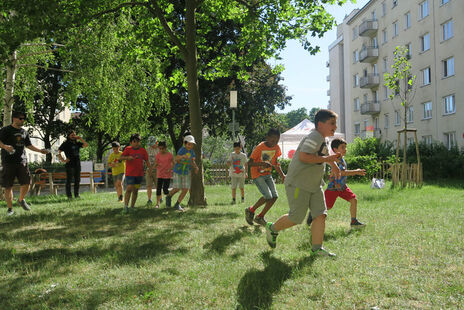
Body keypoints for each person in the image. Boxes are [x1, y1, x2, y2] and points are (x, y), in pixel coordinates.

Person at [264, 109, 341, 257]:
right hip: (299, 184)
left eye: (335, 124)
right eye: (332, 123)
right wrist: (327, 160)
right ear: (320, 124)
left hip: (314, 185)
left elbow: (324, 154)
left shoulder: (322, 138)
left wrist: (334, 166)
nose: (335, 127)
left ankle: (317, 249)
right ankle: (272, 228)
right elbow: (304, 157)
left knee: (320, 215)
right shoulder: (314, 136)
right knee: (296, 218)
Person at [0, 111, 49, 215]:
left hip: (22, 161)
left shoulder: (24, 132)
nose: (22, 120)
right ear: (14, 118)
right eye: (20, 118)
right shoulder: (5, 130)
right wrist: (5, 147)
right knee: (8, 186)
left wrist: (40, 151)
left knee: (27, 183)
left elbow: (29, 145)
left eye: (23, 119)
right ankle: (10, 209)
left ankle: (21, 200)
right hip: (8, 162)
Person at [244, 128, 285, 226]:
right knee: (268, 196)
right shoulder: (259, 147)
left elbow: (275, 163)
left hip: (267, 174)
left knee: (274, 196)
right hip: (257, 175)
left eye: (277, 141)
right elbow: (250, 163)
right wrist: (262, 163)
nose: (274, 143)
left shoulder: (276, 148)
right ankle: (250, 210)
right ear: (267, 138)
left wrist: (282, 175)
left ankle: (260, 217)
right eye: (272, 140)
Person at [324, 138, 366, 228]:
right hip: (333, 189)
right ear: (335, 150)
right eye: (342, 147)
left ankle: (354, 221)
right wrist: (356, 171)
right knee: (327, 207)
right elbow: (341, 173)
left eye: (345, 147)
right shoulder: (335, 160)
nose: (345, 149)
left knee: (353, 200)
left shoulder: (342, 159)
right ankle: (313, 215)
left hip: (342, 187)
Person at [165, 135, 199, 212]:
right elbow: (176, 158)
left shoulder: (192, 152)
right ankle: (169, 196)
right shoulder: (182, 150)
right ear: (185, 143)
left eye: (192, 144)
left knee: (185, 189)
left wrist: (196, 167)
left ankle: (177, 204)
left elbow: (192, 161)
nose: (190, 146)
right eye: (189, 144)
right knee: (177, 188)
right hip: (178, 171)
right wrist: (183, 156)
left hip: (186, 172)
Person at [119, 133, 150, 213]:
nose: (136, 143)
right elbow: (120, 158)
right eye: (134, 141)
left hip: (139, 174)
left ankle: (132, 207)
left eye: (138, 141)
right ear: (131, 142)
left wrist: (150, 168)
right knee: (129, 188)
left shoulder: (143, 150)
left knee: (135, 190)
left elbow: (146, 160)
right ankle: (125, 207)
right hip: (130, 174)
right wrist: (127, 158)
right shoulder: (128, 149)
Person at [58, 130, 88, 199]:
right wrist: (63, 160)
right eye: (72, 135)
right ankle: (69, 196)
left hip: (77, 163)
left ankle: (77, 195)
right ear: (68, 136)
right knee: (69, 180)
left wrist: (80, 138)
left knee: (77, 180)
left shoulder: (77, 143)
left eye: (74, 135)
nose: (73, 136)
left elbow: (86, 145)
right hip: (69, 165)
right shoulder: (65, 143)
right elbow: (58, 151)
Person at [154, 141, 174, 208]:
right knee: (158, 189)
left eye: (162, 148)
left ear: (166, 148)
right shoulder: (158, 155)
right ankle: (157, 203)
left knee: (165, 190)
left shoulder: (170, 155)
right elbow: (156, 163)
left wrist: (170, 169)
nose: (161, 150)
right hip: (159, 174)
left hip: (167, 175)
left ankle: (169, 199)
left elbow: (174, 163)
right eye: (160, 149)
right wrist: (151, 169)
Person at [145, 136, 159, 206]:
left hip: (158, 170)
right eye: (150, 144)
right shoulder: (147, 149)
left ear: (156, 142)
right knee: (149, 185)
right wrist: (149, 168)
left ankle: (160, 198)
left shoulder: (160, 149)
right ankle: (149, 199)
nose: (151, 145)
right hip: (149, 170)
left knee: (158, 186)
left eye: (152, 144)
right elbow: (146, 160)